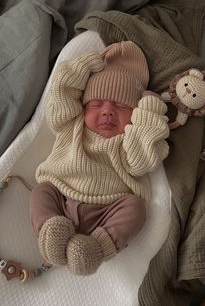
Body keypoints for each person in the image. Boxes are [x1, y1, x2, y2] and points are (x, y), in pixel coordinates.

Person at [29, 41, 169, 275]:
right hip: (61, 195)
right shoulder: (71, 125)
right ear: (83, 107)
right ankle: (50, 229)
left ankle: (96, 249)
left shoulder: (127, 140)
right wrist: (84, 66)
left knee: (135, 208)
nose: (107, 111)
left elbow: (143, 159)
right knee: (41, 191)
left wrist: (150, 111)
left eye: (121, 107)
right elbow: (61, 91)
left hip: (109, 208)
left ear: (134, 115)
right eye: (95, 104)